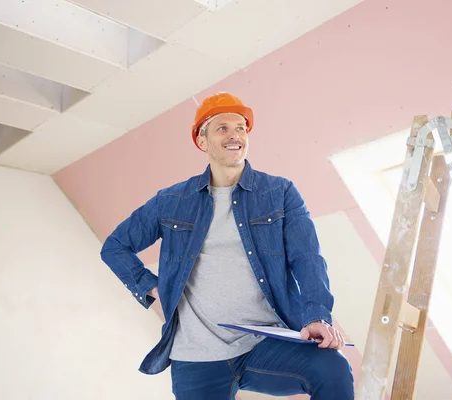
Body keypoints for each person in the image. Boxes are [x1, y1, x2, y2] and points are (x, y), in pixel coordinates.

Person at [100, 92, 354, 399]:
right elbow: (114, 246)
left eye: (241, 128)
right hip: (195, 356)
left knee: (331, 367)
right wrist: (154, 287)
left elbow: (307, 258)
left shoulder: (279, 192)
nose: (234, 135)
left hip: (263, 344)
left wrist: (317, 317)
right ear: (202, 141)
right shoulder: (172, 201)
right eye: (222, 128)